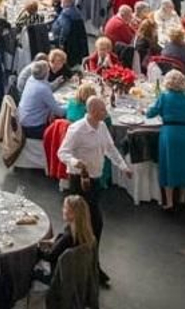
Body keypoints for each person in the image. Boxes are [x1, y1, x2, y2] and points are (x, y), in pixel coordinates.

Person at [57, 97, 129, 287]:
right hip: (78, 181)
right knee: (83, 224)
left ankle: (90, 265)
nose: (106, 112)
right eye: (102, 110)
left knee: (92, 226)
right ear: (92, 111)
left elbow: (110, 149)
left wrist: (123, 166)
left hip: (94, 181)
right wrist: (76, 162)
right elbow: (62, 152)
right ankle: (77, 264)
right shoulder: (77, 129)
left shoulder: (102, 126)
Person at [146, 70, 185, 212]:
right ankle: (182, 198)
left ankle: (169, 202)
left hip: (169, 134)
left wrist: (153, 108)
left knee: (167, 166)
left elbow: (150, 114)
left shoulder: (164, 98)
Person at [37, 195, 100, 305]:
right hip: (78, 276)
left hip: (58, 276)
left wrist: (35, 248)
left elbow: (49, 257)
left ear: (72, 214)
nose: (62, 210)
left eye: (65, 208)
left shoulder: (68, 237)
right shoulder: (86, 234)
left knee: (28, 269)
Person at [18, 61, 65, 139]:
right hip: (33, 128)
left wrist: (56, 82)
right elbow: (60, 112)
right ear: (47, 73)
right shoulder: (43, 89)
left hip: (23, 121)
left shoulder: (31, 79)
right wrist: (70, 105)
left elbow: (47, 87)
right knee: (62, 128)